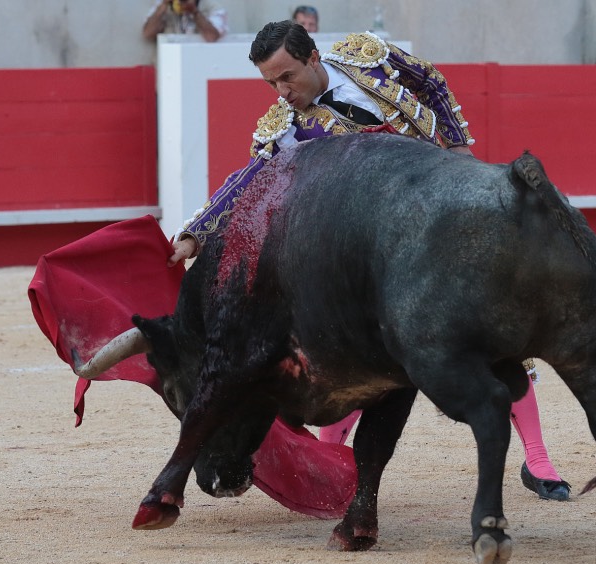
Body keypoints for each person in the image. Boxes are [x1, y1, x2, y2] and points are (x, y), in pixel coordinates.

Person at [167, 20, 571, 501]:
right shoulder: (285, 131)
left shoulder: (365, 56)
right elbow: (248, 182)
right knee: (355, 353)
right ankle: (329, 459)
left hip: (443, 211)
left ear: (313, 58)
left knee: (499, 325)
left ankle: (539, 459)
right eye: (271, 82)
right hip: (379, 252)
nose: (282, 91)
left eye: (288, 76)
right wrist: (196, 233)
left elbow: (432, 83)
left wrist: (459, 147)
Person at [143, 0, 228, 43]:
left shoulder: (212, 7)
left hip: (202, 62)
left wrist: (195, 12)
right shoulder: (163, 6)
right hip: (169, 65)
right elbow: (148, 34)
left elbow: (212, 37)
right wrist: (164, 6)